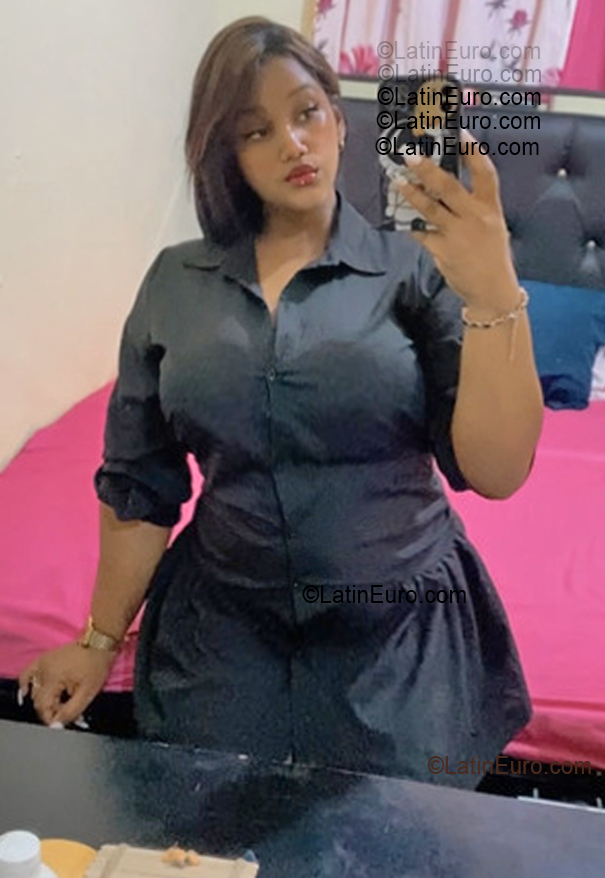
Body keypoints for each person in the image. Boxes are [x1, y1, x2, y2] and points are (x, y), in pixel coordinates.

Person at [19, 16, 543, 789]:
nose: (293, 144)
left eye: (305, 113)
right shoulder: (174, 284)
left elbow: (496, 470)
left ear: (338, 117)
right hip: (223, 646)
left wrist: (494, 294)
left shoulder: (415, 269)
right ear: (224, 152)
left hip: (400, 650)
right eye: (255, 131)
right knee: (205, 839)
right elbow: (139, 485)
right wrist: (98, 641)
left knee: (399, 843)